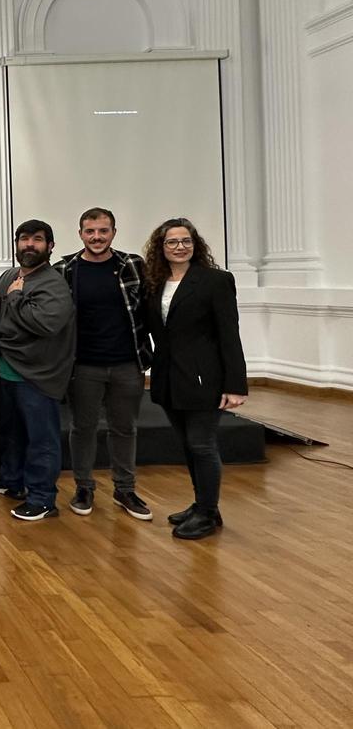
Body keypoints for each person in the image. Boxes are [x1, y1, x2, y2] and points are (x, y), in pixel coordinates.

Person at [143, 217, 248, 540]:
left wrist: (235, 384)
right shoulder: (154, 282)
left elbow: (229, 334)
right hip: (169, 378)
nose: (179, 247)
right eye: (172, 242)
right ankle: (204, 505)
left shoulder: (216, 281)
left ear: (195, 244)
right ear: (161, 248)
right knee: (188, 445)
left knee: (202, 444)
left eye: (185, 241)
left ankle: (205, 512)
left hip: (205, 379)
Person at [54, 207, 153, 521]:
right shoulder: (65, 269)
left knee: (124, 429)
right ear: (80, 233)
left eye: (103, 231)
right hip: (82, 365)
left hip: (127, 363)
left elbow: (150, 311)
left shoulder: (133, 265)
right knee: (82, 429)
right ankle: (84, 487)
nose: (96, 237)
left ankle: (125, 489)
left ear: (113, 232)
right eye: (90, 231)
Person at [0, 220, 76, 522]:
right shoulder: (10, 276)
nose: (29, 245)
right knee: (11, 432)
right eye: (24, 239)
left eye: (37, 240)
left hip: (37, 375)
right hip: (7, 369)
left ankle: (42, 498)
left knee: (41, 439)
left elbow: (46, 323)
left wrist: (15, 297)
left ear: (50, 246)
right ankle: (12, 480)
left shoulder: (54, 283)